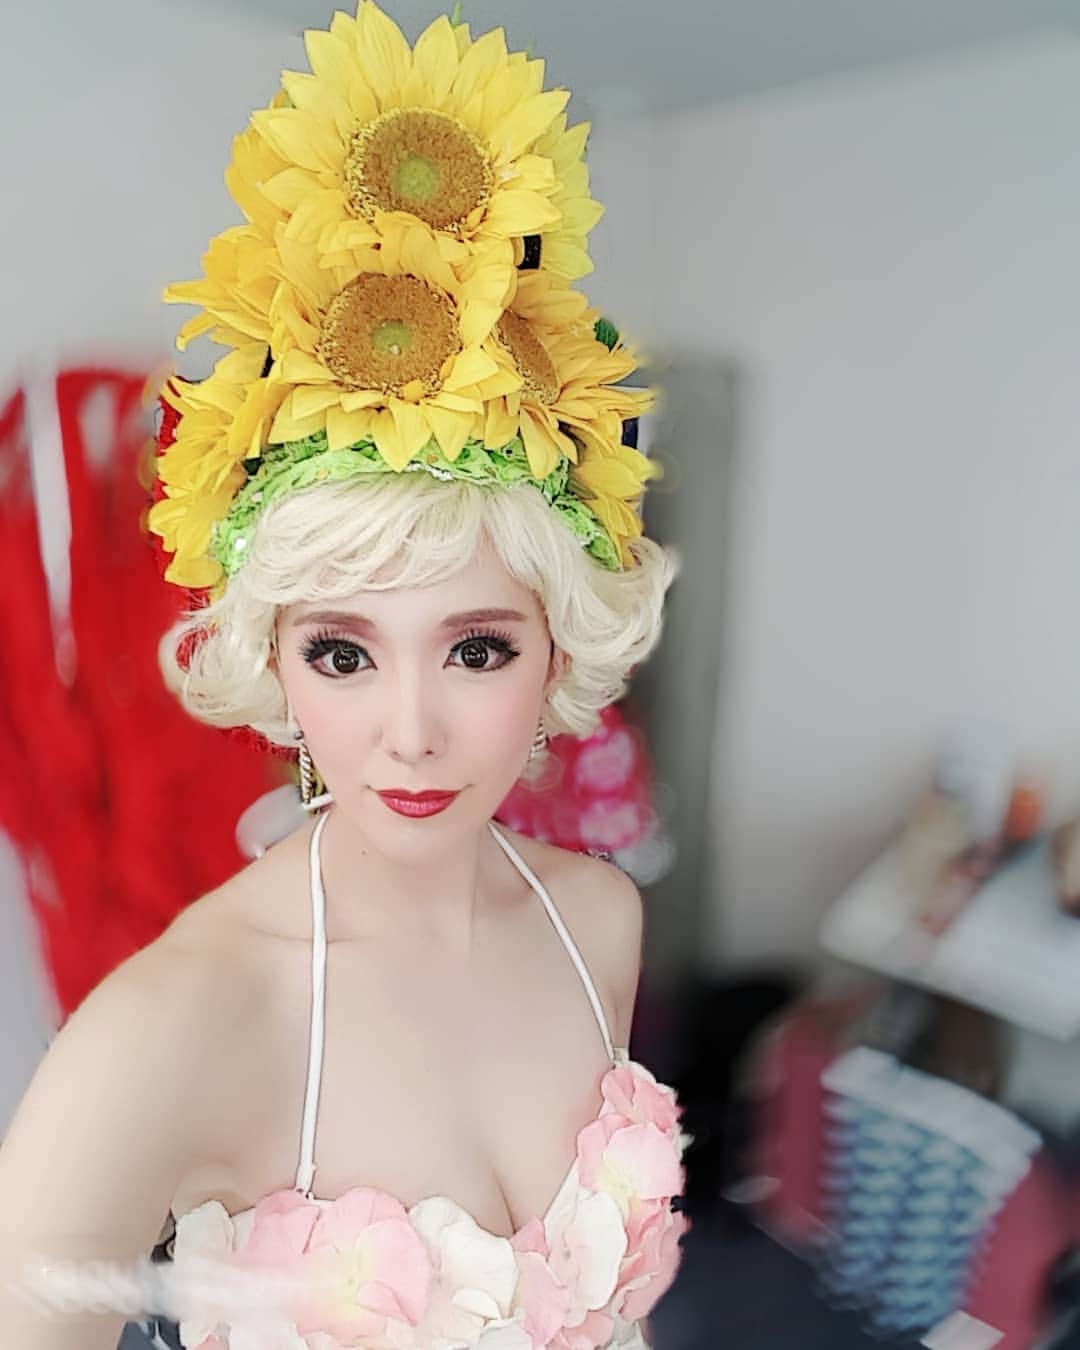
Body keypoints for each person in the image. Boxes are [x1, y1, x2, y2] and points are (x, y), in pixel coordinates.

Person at [0, 4, 690, 1347]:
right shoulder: (174, 1023)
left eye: (477, 649)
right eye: (344, 653)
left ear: (557, 653)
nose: (411, 733)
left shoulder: (597, 918)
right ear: (273, 661)